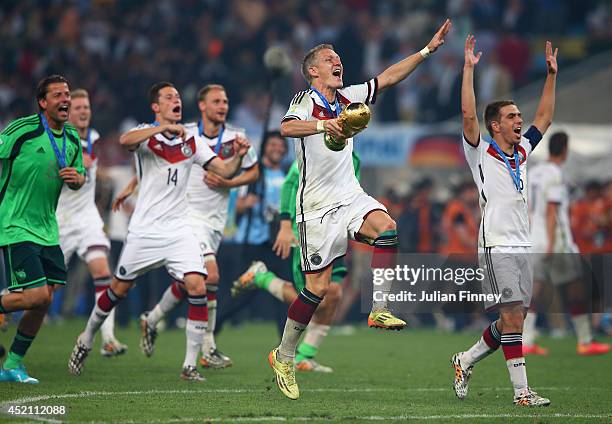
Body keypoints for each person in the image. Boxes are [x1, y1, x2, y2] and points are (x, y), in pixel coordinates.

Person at [269, 19, 452, 400]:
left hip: (350, 197)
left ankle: (379, 308)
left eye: (338, 58)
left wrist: (426, 51)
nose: (338, 62)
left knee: (387, 228)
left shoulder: (350, 96)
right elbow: (287, 130)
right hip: (315, 207)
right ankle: (284, 355)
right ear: (313, 71)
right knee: (316, 290)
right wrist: (326, 125)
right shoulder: (305, 101)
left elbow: (387, 78)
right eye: (329, 59)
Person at [68, 82, 250, 381]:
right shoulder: (145, 135)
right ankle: (86, 338)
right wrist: (160, 128)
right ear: (156, 107)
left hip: (179, 229)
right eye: (169, 98)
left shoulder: (191, 139)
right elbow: (127, 140)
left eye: (178, 97)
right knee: (118, 290)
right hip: (145, 231)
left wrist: (239, 156)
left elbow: (225, 170)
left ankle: (189, 366)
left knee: (198, 285)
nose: (176, 100)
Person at [451, 35, 557, 407]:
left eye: (518, 116)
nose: (520, 120)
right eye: (512, 116)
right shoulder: (480, 151)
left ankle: (465, 360)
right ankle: (522, 393)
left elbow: (544, 117)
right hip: (496, 243)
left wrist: (551, 75)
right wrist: (468, 70)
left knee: (513, 322)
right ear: (495, 125)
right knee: (512, 318)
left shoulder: (522, 151)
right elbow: (467, 114)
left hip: (522, 242)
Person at [122, 84, 259, 369]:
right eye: (216, 101)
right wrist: (133, 184)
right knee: (210, 276)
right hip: (185, 216)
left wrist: (229, 182)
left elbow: (254, 171)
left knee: (191, 282)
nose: (223, 106)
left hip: (216, 221)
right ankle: (207, 348)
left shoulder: (237, 137)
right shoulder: (183, 131)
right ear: (202, 106)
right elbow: (153, 160)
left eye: (225, 101)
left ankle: (153, 317)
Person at [232, 151, 361, 372]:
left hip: (334, 233)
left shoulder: (353, 158)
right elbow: (290, 184)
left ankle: (305, 356)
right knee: (313, 296)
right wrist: (285, 224)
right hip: (306, 231)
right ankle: (262, 278)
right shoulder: (313, 149)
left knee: (334, 294)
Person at [0, 75, 85, 384]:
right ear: (43, 102)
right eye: (59, 95)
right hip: (14, 224)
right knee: (35, 296)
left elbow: (79, 176)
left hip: (47, 229)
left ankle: (12, 364)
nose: (66, 99)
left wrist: (77, 179)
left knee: (45, 299)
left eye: (68, 94)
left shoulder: (73, 138)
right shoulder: (21, 130)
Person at [56, 88, 127, 357]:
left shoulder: (94, 137)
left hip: (87, 218)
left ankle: (108, 338)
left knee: (103, 273)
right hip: (60, 220)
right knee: (40, 292)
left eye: (87, 107)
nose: (84, 111)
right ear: (67, 113)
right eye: (78, 108)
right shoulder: (58, 141)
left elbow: (94, 172)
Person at [525, 131, 610, 356]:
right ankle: (585, 340)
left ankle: (526, 340)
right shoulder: (555, 174)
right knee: (576, 288)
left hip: (535, 238)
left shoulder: (534, 173)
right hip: (556, 242)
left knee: (534, 290)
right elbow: (552, 209)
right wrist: (553, 243)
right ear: (564, 149)